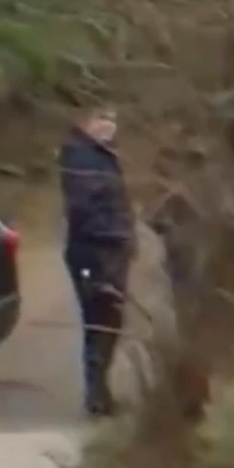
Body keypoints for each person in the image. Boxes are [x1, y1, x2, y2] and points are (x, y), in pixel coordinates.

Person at [59, 104, 134, 417]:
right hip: (95, 250)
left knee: (109, 323)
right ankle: (96, 396)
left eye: (113, 119)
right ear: (85, 121)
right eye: (102, 119)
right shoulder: (82, 158)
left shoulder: (102, 156)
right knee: (99, 320)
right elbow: (84, 209)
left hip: (111, 248)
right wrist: (112, 236)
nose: (109, 126)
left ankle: (100, 392)